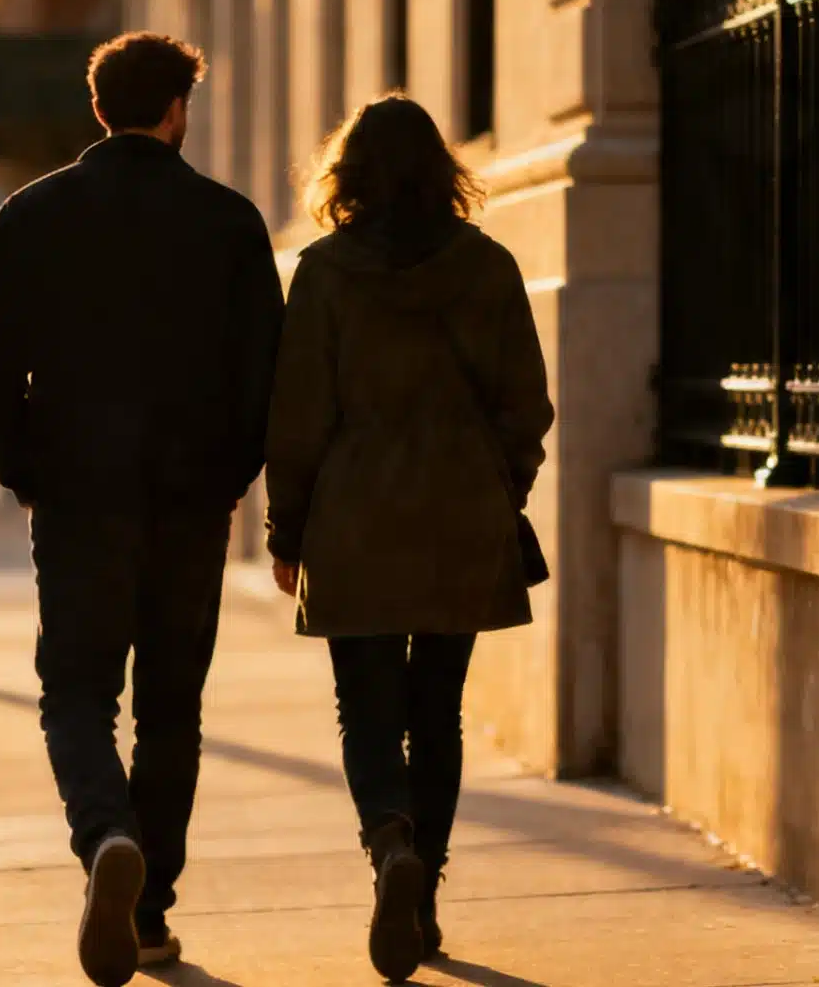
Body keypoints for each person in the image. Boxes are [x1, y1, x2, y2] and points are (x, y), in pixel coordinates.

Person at [0, 32, 284, 987]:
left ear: (99, 110)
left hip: (78, 500)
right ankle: (146, 915)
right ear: (177, 110)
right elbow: (270, 377)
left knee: (76, 693)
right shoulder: (229, 223)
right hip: (189, 505)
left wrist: (29, 469)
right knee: (172, 708)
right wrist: (232, 473)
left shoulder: (32, 214)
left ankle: (105, 833)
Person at [264, 95, 555, 984]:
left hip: (354, 517)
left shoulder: (321, 274)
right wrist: (501, 485)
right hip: (461, 513)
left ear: (346, 175)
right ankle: (422, 894)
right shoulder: (489, 267)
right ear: (443, 170)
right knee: (438, 712)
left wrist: (289, 527)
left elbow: (299, 416)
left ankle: (388, 839)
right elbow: (527, 406)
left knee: (367, 708)